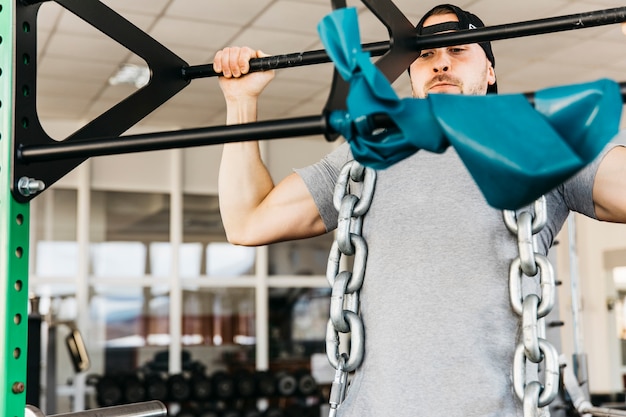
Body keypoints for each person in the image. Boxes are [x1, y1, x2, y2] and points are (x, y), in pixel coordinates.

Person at [213, 4, 626, 416]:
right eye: (426, 54)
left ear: (490, 71)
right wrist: (240, 102)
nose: (441, 62)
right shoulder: (365, 158)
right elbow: (248, 221)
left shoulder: (541, 142)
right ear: (410, 74)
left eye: (459, 50)